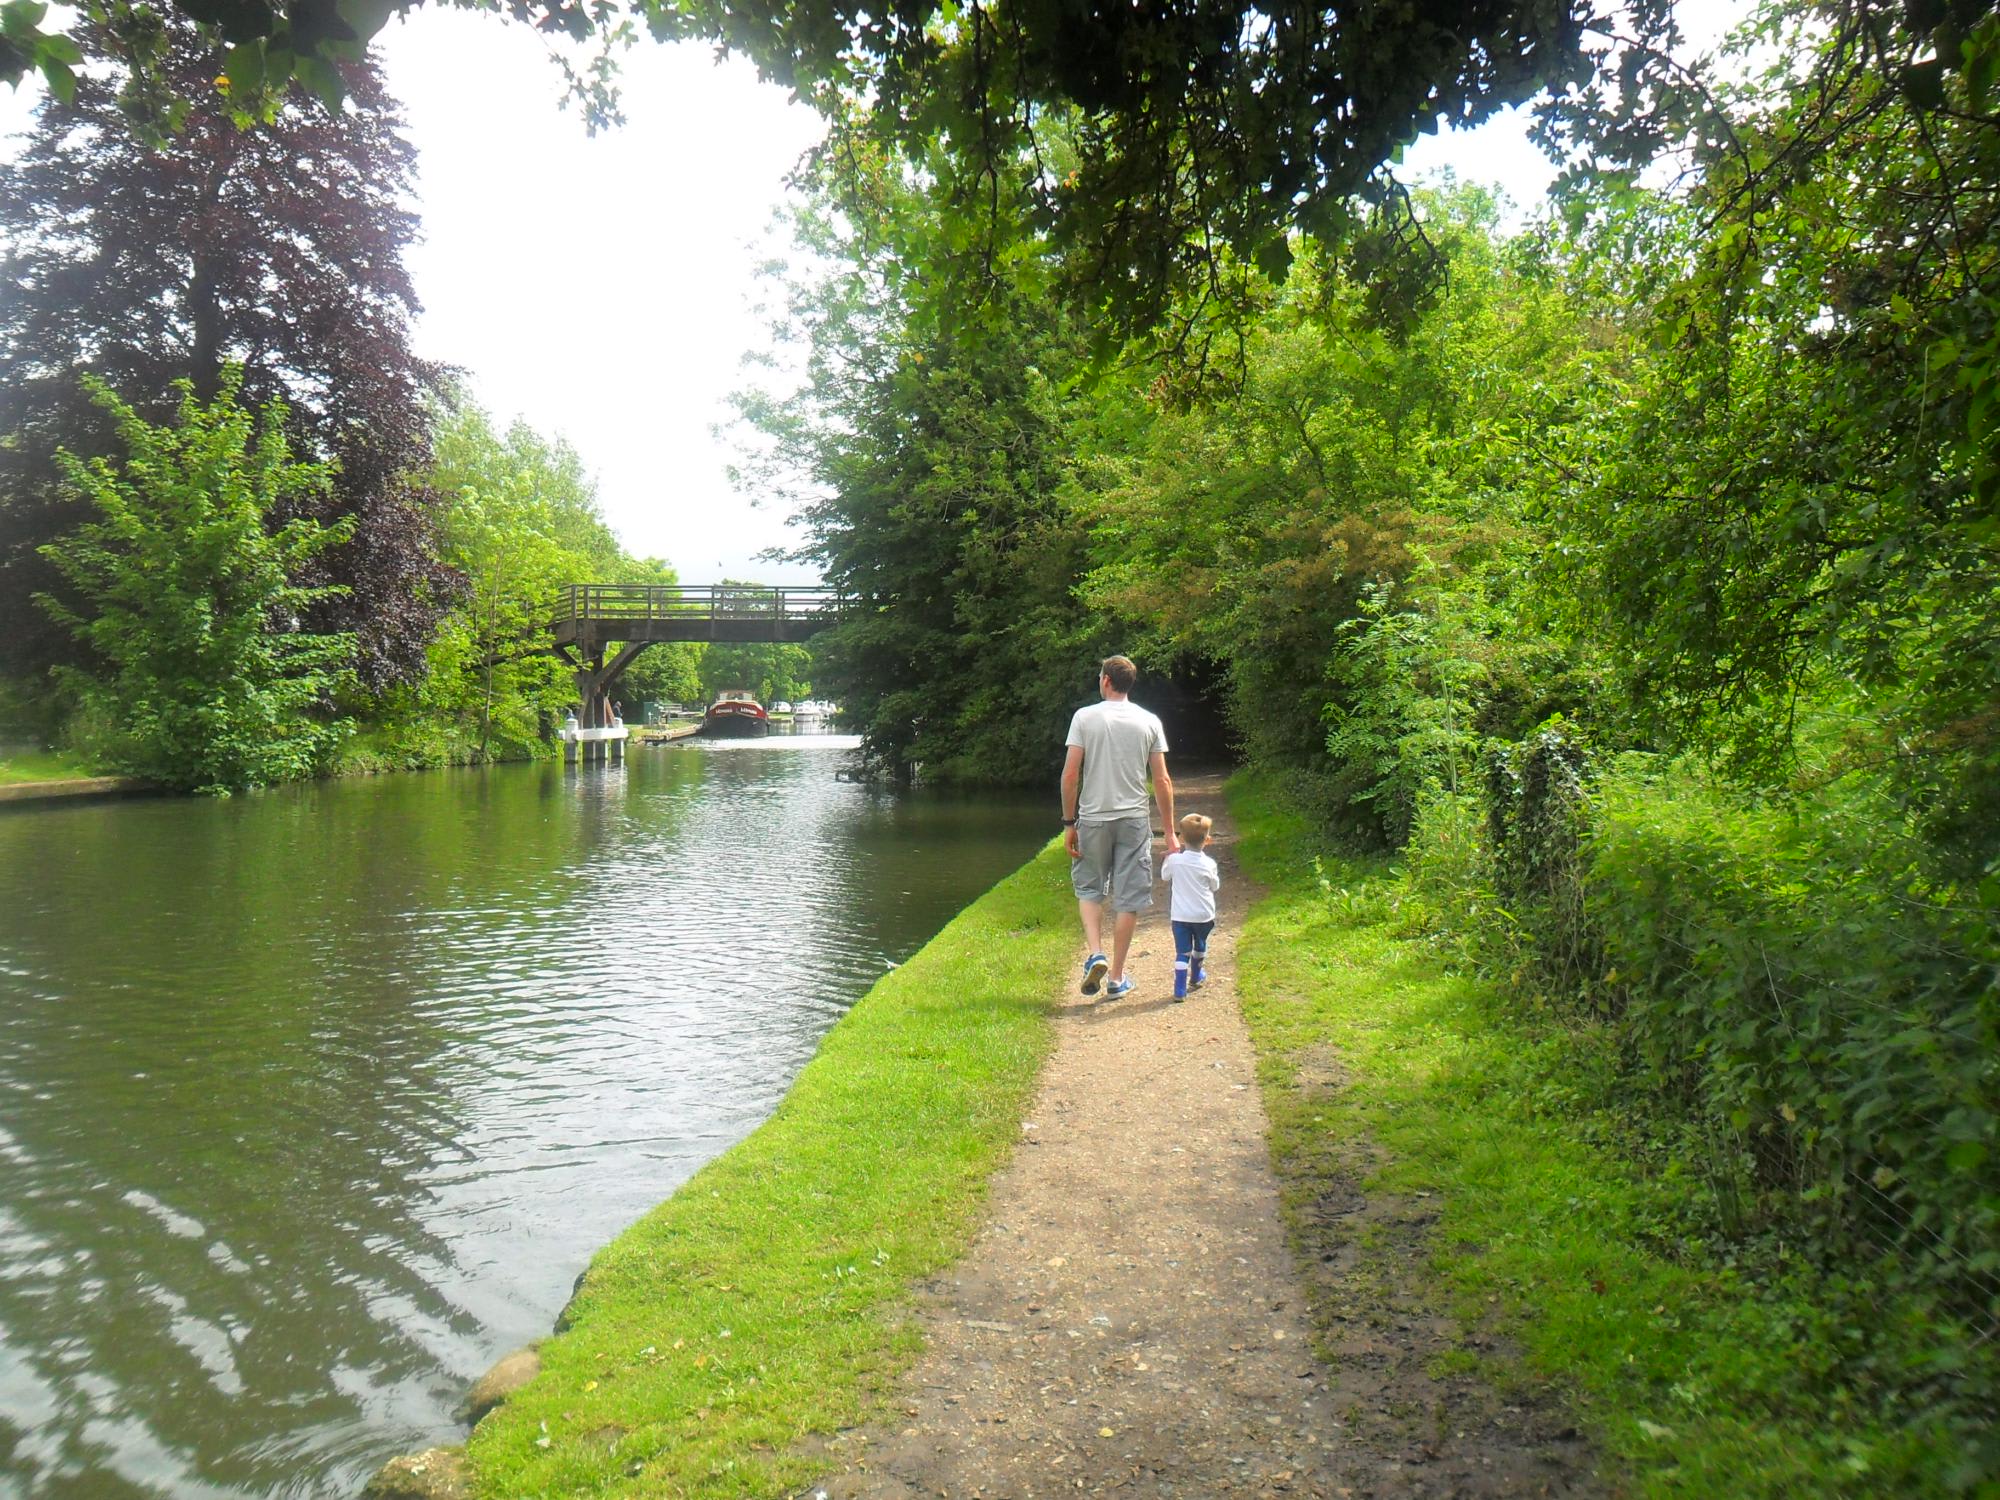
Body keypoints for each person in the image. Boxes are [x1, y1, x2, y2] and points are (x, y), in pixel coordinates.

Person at [1061, 655, 1176, 1001]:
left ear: (1107, 681)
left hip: (1094, 818)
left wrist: (1068, 823)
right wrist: (1170, 833)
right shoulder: (1149, 721)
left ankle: (1096, 953)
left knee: (1089, 888)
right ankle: (1116, 977)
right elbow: (1162, 780)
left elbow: (1070, 775)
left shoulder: (1084, 717)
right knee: (1129, 897)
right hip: (1133, 820)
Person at [1159, 814, 1220, 1001]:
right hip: (1203, 915)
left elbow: (1165, 876)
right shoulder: (1209, 864)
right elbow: (1215, 886)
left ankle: (1179, 989)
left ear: (1181, 838)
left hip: (1180, 916)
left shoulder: (1175, 860)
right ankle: (1196, 975)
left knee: (1182, 952)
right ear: (1207, 840)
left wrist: (1168, 857)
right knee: (1200, 944)